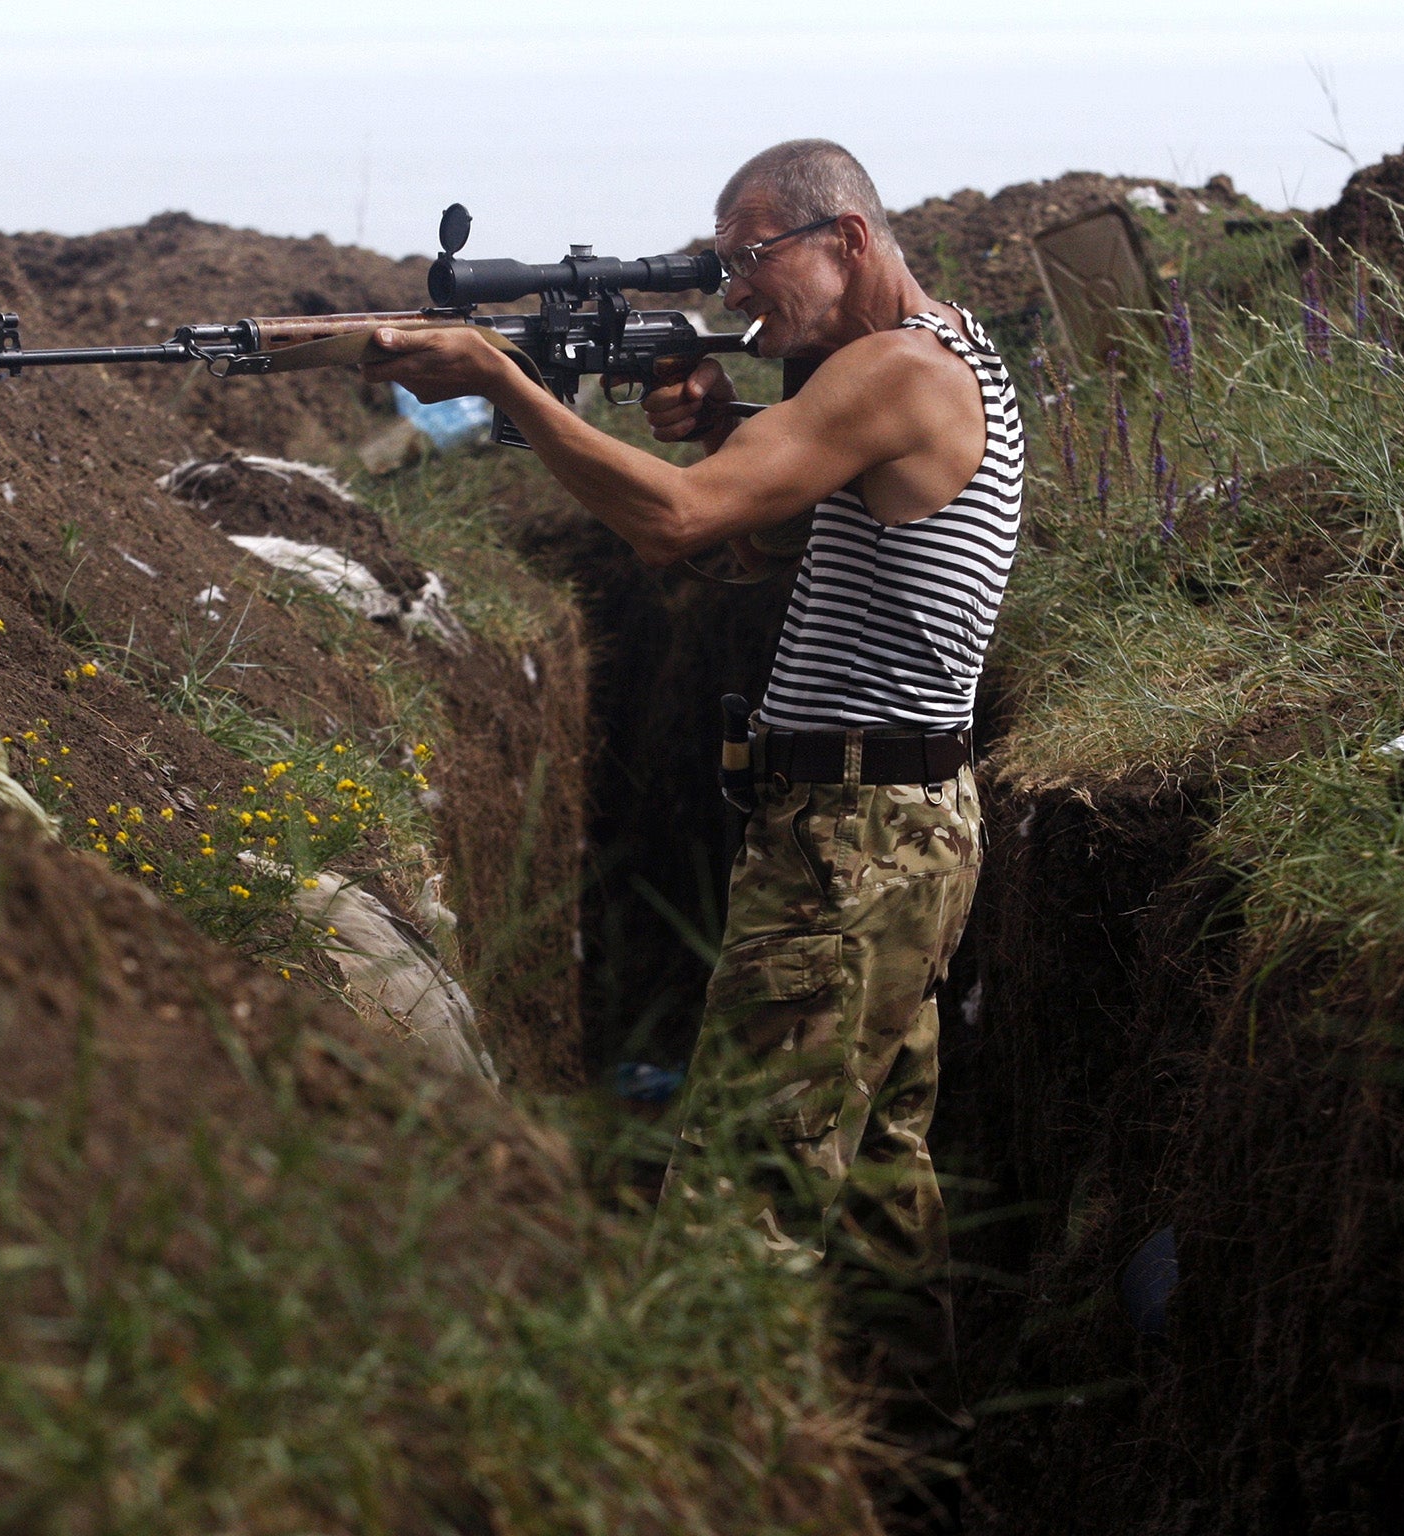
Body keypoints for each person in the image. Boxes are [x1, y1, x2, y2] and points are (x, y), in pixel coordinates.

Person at [362, 138, 1021, 1483]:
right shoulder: (945, 352)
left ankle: (679, 1485)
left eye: (749, 260)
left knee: (740, 1191)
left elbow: (673, 525)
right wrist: (730, 428)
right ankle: (911, 1472)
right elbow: (783, 528)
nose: (736, 298)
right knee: (880, 1178)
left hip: (857, 844)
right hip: (897, 826)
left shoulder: (892, 372)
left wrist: (503, 385)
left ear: (843, 240)